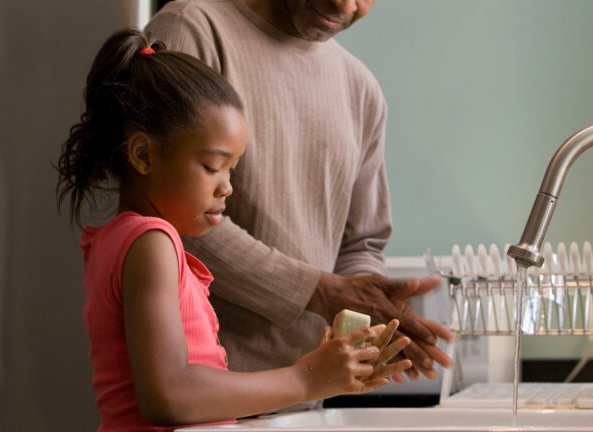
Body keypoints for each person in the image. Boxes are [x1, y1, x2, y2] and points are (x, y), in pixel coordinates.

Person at [56, 28, 413, 431]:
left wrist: (318, 373)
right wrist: (306, 378)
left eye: (232, 168)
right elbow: (170, 396)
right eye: (212, 166)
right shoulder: (151, 243)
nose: (227, 187)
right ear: (143, 154)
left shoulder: (124, 240)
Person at [144, 0, 454, 383]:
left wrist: (366, 313)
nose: (344, 4)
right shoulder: (193, 29)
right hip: (205, 392)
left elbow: (361, 244)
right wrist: (321, 292)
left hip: (309, 396)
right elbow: (165, 210)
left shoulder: (360, 89)